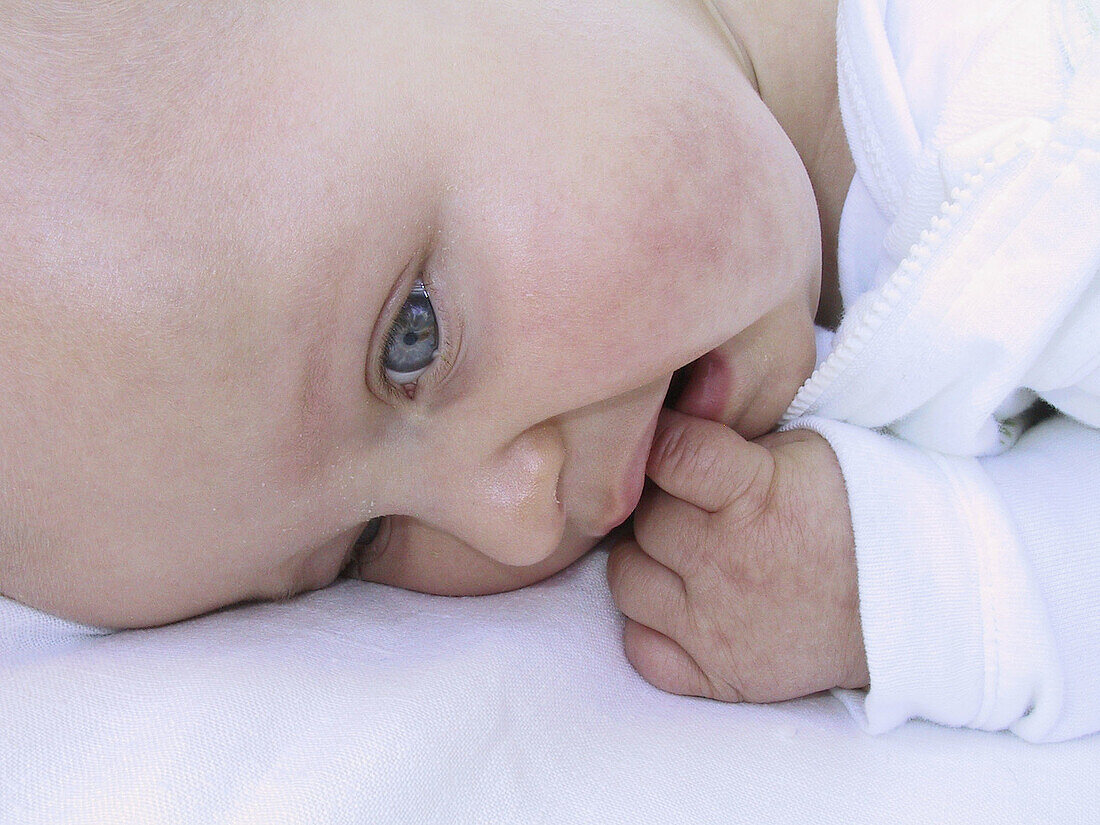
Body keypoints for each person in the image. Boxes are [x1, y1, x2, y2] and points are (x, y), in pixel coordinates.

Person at [0, 0, 1095, 742]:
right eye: (359, 549)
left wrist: (942, 587)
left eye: (411, 340)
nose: (515, 522)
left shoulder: (1036, 133)